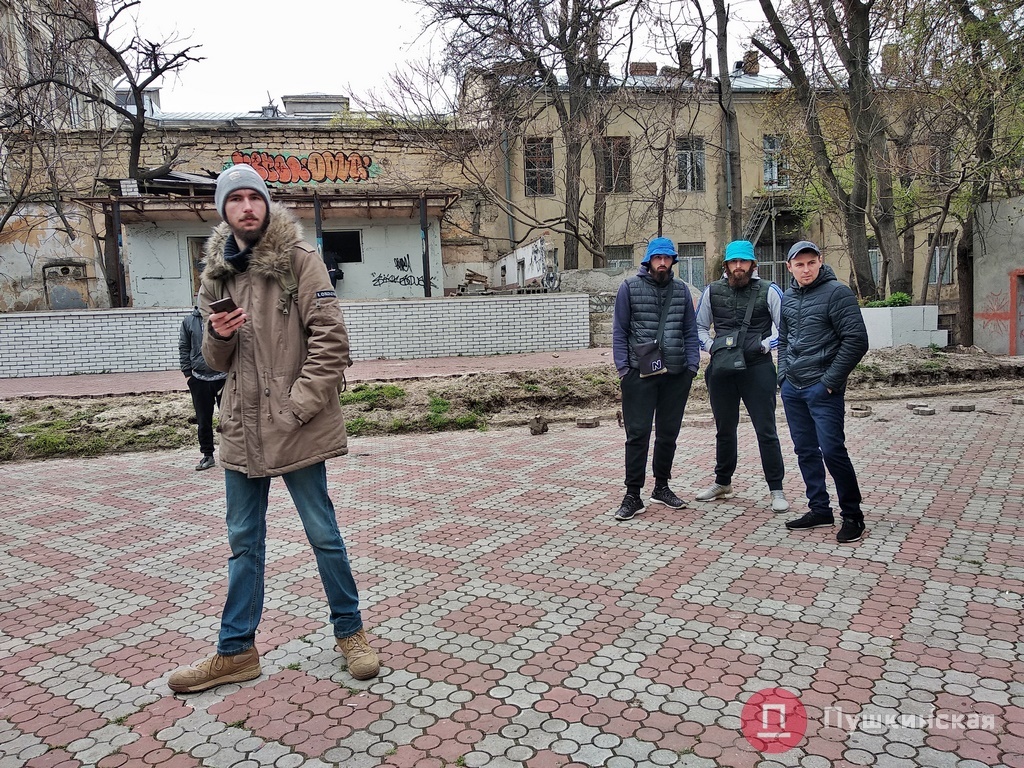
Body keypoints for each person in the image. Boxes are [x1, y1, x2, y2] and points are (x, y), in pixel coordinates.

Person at [167, 164, 379, 693]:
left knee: (323, 534)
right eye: (235, 198)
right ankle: (236, 651)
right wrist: (218, 335)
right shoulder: (215, 276)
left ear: (266, 203)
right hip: (241, 429)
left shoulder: (299, 261)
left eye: (254, 196)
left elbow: (332, 341)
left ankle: (350, 632)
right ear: (223, 210)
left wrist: (296, 407)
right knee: (244, 542)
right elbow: (213, 362)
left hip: (296, 426)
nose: (246, 206)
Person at [777, 240, 869, 544]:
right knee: (805, 451)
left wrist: (829, 382)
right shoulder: (788, 297)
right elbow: (784, 340)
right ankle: (819, 509)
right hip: (794, 388)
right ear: (789, 267)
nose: (806, 269)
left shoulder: (837, 293)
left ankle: (853, 515)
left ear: (820, 262)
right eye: (799, 264)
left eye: (811, 263)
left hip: (823, 390)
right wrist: (783, 378)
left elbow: (856, 340)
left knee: (832, 450)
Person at [694, 240, 789, 512]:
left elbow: (784, 327)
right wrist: (711, 347)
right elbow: (698, 327)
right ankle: (723, 482)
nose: (738, 266)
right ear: (726, 265)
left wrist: (765, 345)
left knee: (766, 430)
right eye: (733, 262)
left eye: (743, 261)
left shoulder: (769, 290)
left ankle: (776, 489)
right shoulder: (712, 291)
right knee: (724, 429)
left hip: (757, 369)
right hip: (722, 370)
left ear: (752, 264)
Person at [611, 236, 700, 521]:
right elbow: (619, 331)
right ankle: (632, 495)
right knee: (637, 434)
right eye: (657, 258)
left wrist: (692, 367)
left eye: (667, 258)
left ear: (673, 260)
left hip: (676, 374)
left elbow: (690, 330)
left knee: (668, 434)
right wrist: (624, 370)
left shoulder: (681, 290)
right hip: (638, 374)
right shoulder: (629, 287)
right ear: (648, 260)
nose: (662, 263)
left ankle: (661, 486)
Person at [179, 298, 227, 471]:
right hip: (199, 378)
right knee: (203, 420)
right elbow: (184, 347)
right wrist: (188, 375)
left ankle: (234, 454)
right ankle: (207, 455)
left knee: (230, 419)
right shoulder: (188, 321)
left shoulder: (222, 317)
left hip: (224, 377)